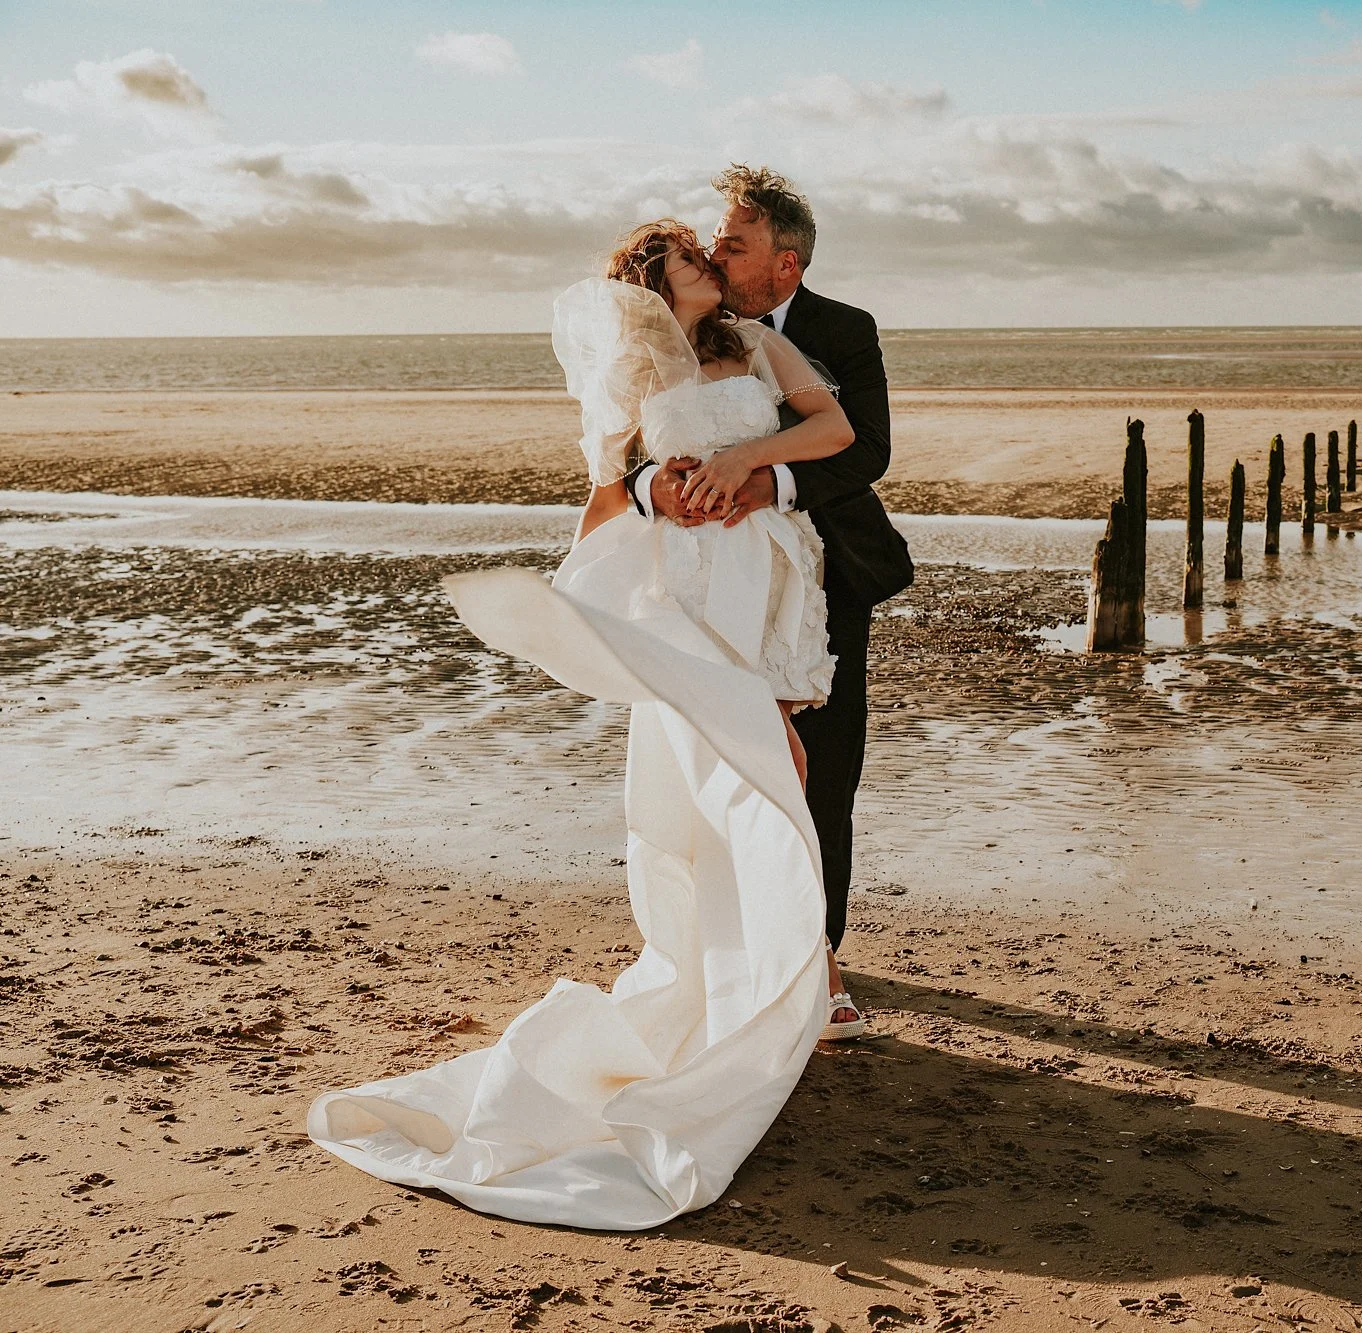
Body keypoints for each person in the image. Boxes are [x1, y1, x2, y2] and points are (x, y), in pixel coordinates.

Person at [308, 218, 859, 1229]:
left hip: (765, 576)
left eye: (706, 255)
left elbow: (832, 432)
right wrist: (656, 491)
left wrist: (745, 463)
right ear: (653, 285)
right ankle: (781, 977)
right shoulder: (632, 366)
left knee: (777, 765)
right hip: (690, 588)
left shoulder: (757, 343)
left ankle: (793, 974)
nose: (706, 267)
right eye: (689, 259)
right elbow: (606, 493)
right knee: (733, 778)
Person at [633, 165, 912, 1038]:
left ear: (785, 266)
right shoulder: (662, 343)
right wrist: (660, 489)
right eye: (712, 242)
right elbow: (619, 464)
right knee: (724, 771)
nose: (717, 252)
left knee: (821, 774)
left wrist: (770, 480)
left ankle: (815, 955)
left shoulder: (841, 331)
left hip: (829, 576)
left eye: (735, 243)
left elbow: (864, 451)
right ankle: (729, 948)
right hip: (714, 590)